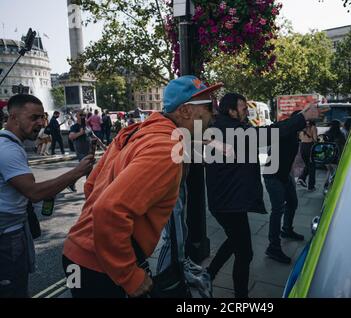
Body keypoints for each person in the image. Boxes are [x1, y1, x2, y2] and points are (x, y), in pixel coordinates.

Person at [62, 75, 222, 298]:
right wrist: (129, 276)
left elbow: (91, 186)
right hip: (99, 268)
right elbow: (108, 210)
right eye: (209, 106)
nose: (214, 113)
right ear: (186, 111)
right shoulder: (165, 149)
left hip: (76, 255)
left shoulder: (135, 132)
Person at [205, 93, 321, 298]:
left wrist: (301, 117)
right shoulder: (231, 129)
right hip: (228, 203)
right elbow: (269, 134)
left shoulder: (224, 127)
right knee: (245, 252)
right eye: (242, 108)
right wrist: (301, 118)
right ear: (231, 110)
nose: (246, 111)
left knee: (234, 241)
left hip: (227, 201)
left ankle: (208, 276)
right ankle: (239, 297)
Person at [0, 94, 94, 298]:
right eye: (34, 118)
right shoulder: (7, 149)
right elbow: (34, 192)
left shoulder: (9, 144)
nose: (41, 123)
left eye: (42, 117)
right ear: (13, 117)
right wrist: (76, 172)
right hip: (7, 239)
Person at [263, 111, 306, 264]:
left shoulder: (294, 133)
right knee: (277, 210)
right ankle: (273, 247)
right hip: (273, 175)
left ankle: (287, 229)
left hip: (283, 174)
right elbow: (278, 130)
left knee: (292, 202)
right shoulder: (285, 132)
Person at [297, 120, 318, 191]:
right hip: (310, 147)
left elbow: (299, 138)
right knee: (312, 166)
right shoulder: (313, 127)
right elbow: (315, 139)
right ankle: (311, 186)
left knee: (308, 165)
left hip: (302, 147)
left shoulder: (302, 127)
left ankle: (301, 178)